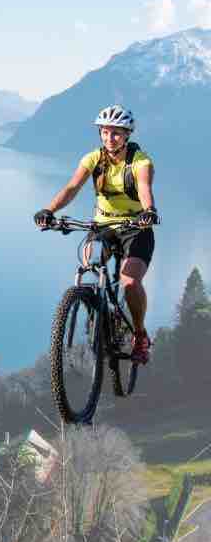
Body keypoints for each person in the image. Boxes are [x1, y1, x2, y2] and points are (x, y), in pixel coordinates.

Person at [33, 105, 159, 363]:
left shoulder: (140, 161)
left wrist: (149, 211)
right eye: (104, 132)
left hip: (136, 229)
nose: (109, 138)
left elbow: (144, 187)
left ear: (127, 135)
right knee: (90, 264)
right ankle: (96, 310)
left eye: (115, 133)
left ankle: (139, 334)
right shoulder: (93, 158)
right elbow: (71, 187)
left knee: (130, 282)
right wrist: (49, 209)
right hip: (101, 226)